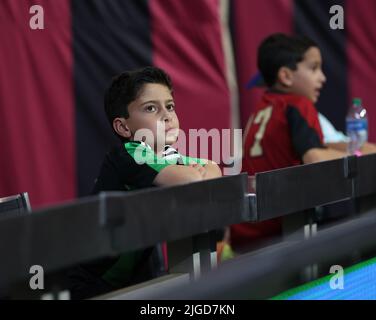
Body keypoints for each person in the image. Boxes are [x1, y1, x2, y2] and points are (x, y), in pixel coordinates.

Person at [69, 66, 221, 299]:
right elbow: (189, 180)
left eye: (170, 106)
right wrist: (191, 173)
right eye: (151, 108)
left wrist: (193, 172)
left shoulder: (166, 156)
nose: (167, 115)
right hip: (85, 280)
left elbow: (213, 169)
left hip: (126, 277)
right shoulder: (130, 153)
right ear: (123, 126)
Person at [230, 33, 351, 252]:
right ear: (285, 76)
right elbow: (315, 158)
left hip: (244, 235)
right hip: (280, 237)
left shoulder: (260, 109)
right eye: (314, 68)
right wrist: (359, 157)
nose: (322, 77)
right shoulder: (298, 105)